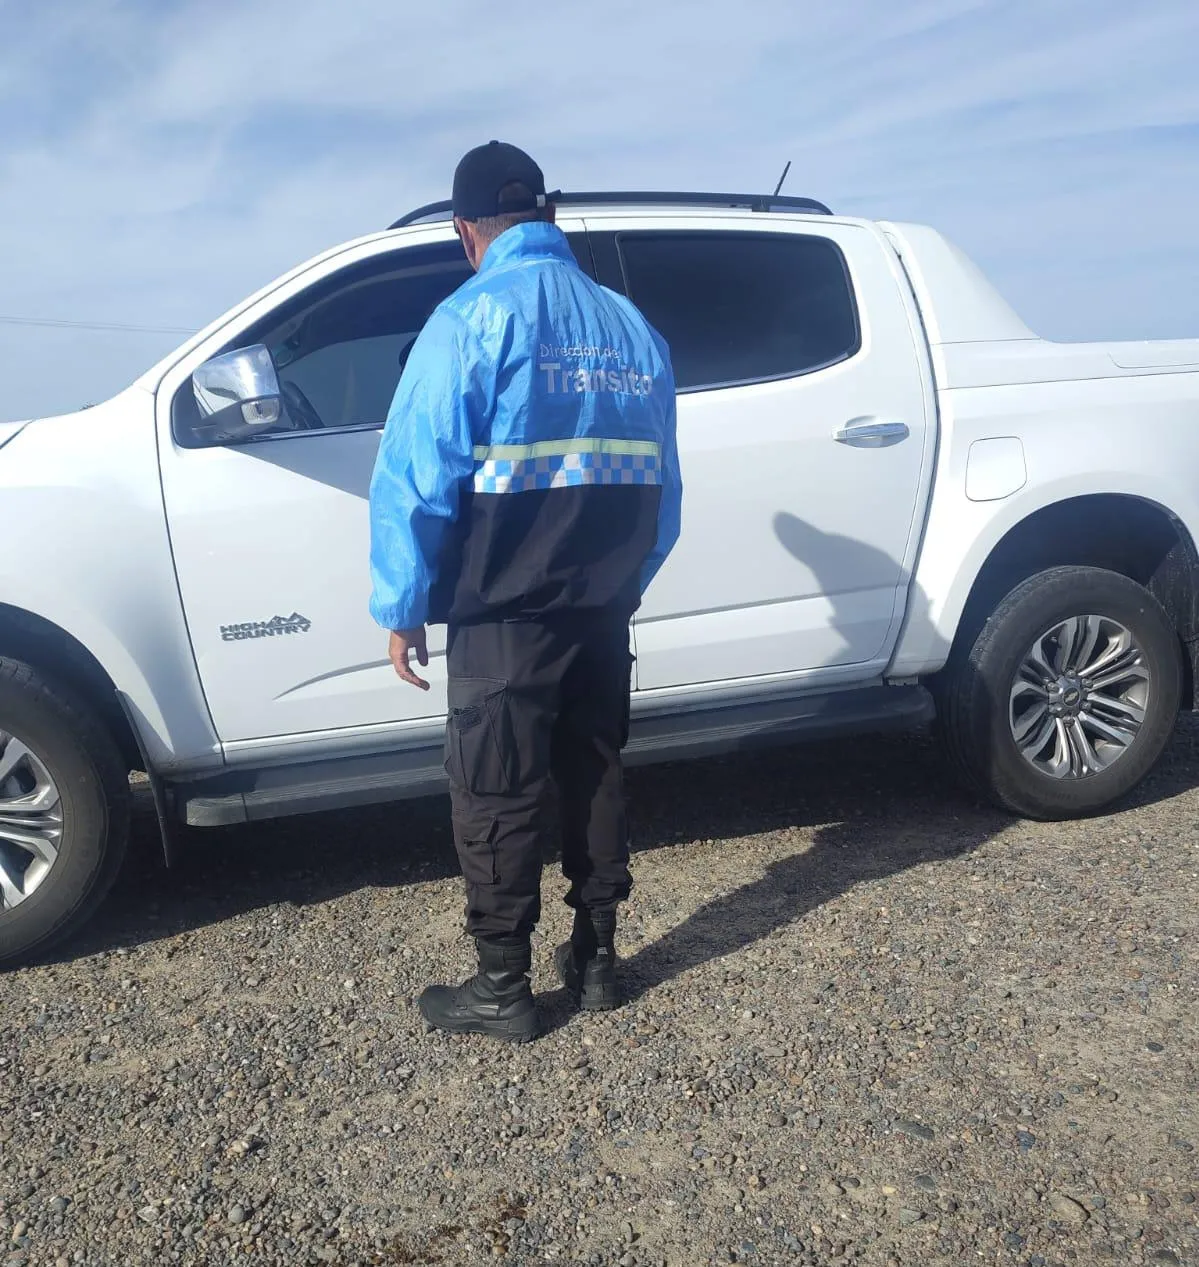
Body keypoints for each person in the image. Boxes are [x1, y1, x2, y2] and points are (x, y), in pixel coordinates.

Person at [368, 141, 681, 1043]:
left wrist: (401, 603)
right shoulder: (629, 326)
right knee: (595, 772)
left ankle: (503, 988)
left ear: (469, 231)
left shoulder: (470, 320)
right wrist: (624, 580)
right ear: (543, 217)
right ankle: (595, 963)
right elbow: (665, 485)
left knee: (497, 790)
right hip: (601, 607)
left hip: (504, 613)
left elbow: (413, 476)